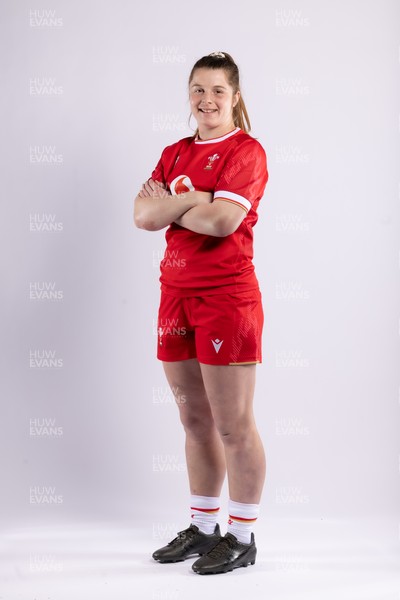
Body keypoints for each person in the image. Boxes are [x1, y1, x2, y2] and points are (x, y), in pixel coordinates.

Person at [134, 51, 269, 575]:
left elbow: (221, 226)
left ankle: (242, 536)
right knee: (194, 420)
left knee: (233, 425)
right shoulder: (173, 152)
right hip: (175, 294)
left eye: (216, 91)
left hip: (227, 299)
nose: (206, 100)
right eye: (197, 90)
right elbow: (143, 214)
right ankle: (203, 527)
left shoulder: (247, 151)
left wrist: (181, 205)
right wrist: (202, 199)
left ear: (234, 97)